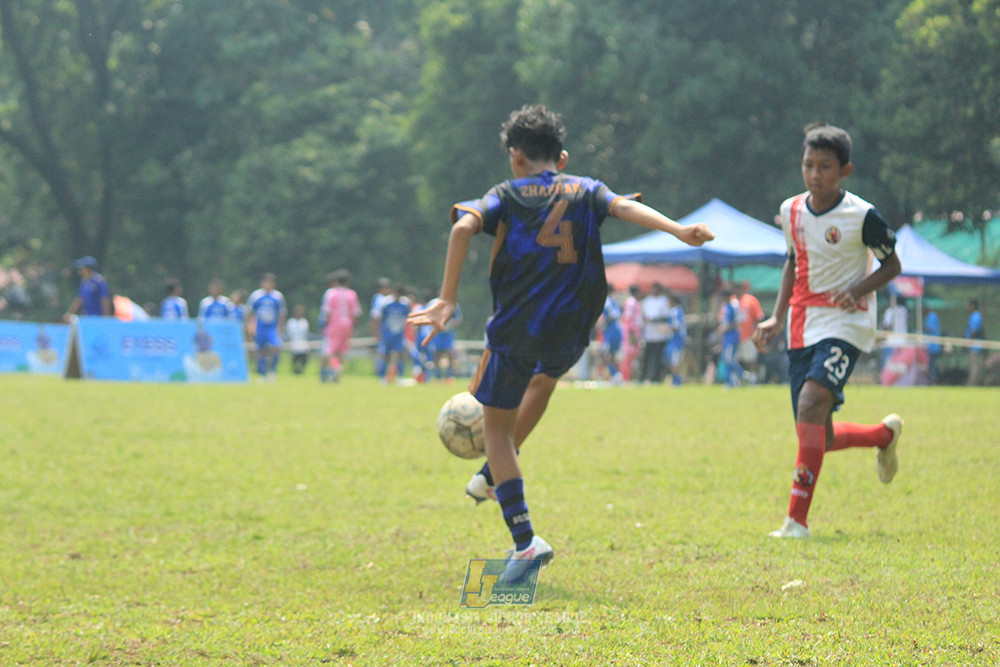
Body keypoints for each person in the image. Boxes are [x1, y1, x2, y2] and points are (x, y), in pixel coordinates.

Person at [408, 104, 713, 581]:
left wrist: (447, 299)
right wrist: (678, 229)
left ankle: (524, 539)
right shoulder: (585, 188)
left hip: (518, 325)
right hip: (573, 325)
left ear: (516, 156)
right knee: (544, 382)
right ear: (562, 158)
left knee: (495, 431)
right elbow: (623, 206)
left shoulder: (506, 193)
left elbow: (463, 225)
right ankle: (489, 477)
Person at [754, 122, 904, 539]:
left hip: (847, 322)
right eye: (808, 165)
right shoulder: (791, 211)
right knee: (819, 433)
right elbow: (792, 261)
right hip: (803, 323)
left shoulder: (863, 216)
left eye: (824, 166)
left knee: (810, 405)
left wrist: (856, 290)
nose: (814, 174)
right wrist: (776, 316)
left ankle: (795, 522)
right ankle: (883, 435)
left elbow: (893, 265)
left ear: (845, 171)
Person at [319, 269, 361, 383]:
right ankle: (336, 375)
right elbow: (355, 313)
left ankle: (335, 367)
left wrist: (325, 325)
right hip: (348, 325)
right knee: (341, 351)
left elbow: (327, 312)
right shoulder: (352, 294)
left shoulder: (331, 293)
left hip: (334, 324)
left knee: (330, 350)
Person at [247, 273, 287, 382]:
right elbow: (250, 312)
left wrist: (280, 327)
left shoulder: (277, 296)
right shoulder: (256, 296)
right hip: (260, 326)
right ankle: (262, 373)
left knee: (275, 347)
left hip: (272, 326)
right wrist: (251, 326)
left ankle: (272, 371)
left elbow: (282, 314)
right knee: (260, 349)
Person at [378, 284, 411, 383]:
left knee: (400, 355)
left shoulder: (404, 305)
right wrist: (379, 332)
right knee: (385, 355)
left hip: (399, 334)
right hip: (387, 333)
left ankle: (399, 376)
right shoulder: (387, 303)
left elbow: (408, 318)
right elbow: (381, 318)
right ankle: (383, 377)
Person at [639, 282, 671, 383]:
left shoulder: (663, 301)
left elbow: (666, 317)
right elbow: (643, 314)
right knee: (646, 357)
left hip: (659, 334)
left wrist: (655, 320)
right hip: (648, 334)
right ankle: (643, 377)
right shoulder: (648, 300)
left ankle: (656, 378)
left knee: (657, 357)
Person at [63, 256, 111, 320]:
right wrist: (69, 313)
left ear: (88, 268)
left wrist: (106, 318)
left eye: (82, 267)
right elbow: (79, 300)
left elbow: (105, 300)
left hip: (98, 317)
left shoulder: (99, 281)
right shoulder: (84, 282)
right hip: (87, 316)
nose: (80, 269)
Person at [717, 286, 746, 387]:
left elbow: (740, 319)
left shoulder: (735, 305)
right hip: (726, 336)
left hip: (732, 335)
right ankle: (731, 381)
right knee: (727, 358)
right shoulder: (725, 306)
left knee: (728, 358)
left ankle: (744, 375)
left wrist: (727, 327)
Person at [736, 281, 764, 379]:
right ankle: (737, 380)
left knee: (750, 359)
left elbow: (759, 318)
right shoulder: (733, 301)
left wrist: (757, 333)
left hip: (749, 335)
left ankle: (753, 379)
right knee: (736, 359)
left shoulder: (750, 300)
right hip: (735, 336)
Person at [620, 285, 643, 382]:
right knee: (629, 354)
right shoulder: (631, 302)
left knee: (632, 355)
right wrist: (632, 333)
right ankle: (625, 377)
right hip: (631, 332)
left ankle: (628, 377)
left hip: (633, 331)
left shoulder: (634, 302)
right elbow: (628, 318)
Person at [664, 292, 686, 386]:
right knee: (670, 360)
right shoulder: (676, 311)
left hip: (676, 340)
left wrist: (666, 328)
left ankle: (677, 381)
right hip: (672, 341)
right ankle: (675, 379)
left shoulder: (676, 311)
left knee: (674, 361)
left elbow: (677, 326)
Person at [964, 298, 984, 386]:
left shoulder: (976, 316)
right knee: (973, 364)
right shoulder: (974, 316)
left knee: (974, 365)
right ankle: (974, 382)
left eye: (969, 306)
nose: (968, 308)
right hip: (973, 344)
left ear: (973, 306)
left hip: (974, 345)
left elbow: (973, 331)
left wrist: (969, 343)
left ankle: (973, 383)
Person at [286, 305, 311, 375]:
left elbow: (306, 334)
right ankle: (295, 372)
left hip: (303, 345)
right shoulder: (291, 322)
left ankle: (301, 371)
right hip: (294, 345)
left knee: (303, 360)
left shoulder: (304, 322)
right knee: (294, 360)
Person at [923, 304, 941, 385]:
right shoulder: (929, 317)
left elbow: (931, 328)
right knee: (931, 364)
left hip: (933, 346)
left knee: (932, 365)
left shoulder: (932, 316)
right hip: (930, 346)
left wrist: (923, 328)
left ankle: (933, 380)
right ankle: (932, 380)